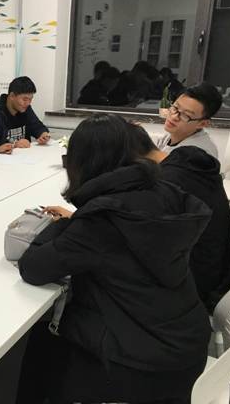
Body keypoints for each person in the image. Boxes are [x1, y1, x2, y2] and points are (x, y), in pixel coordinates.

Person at [16, 114, 211, 404]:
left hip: (145, 368)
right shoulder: (164, 190)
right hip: (185, 347)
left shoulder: (103, 219)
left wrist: (64, 223)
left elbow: (33, 268)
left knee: (42, 344)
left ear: (83, 162)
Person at [129, 124, 230, 311]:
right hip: (214, 269)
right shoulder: (184, 162)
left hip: (192, 287)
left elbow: (141, 240)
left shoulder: (168, 184)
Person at [0, 76, 50, 149]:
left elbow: (37, 126)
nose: (28, 103)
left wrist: (43, 134)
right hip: (3, 156)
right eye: (24, 99)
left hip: (23, 154)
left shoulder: (25, 109)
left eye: (30, 99)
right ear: (12, 96)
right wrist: (14, 145)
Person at [156, 82, 222, 158]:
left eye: (185, 115)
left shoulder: (197, 155)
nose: (174, 117)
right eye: (175, 107)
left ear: (202, 123)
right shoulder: (170, 136)